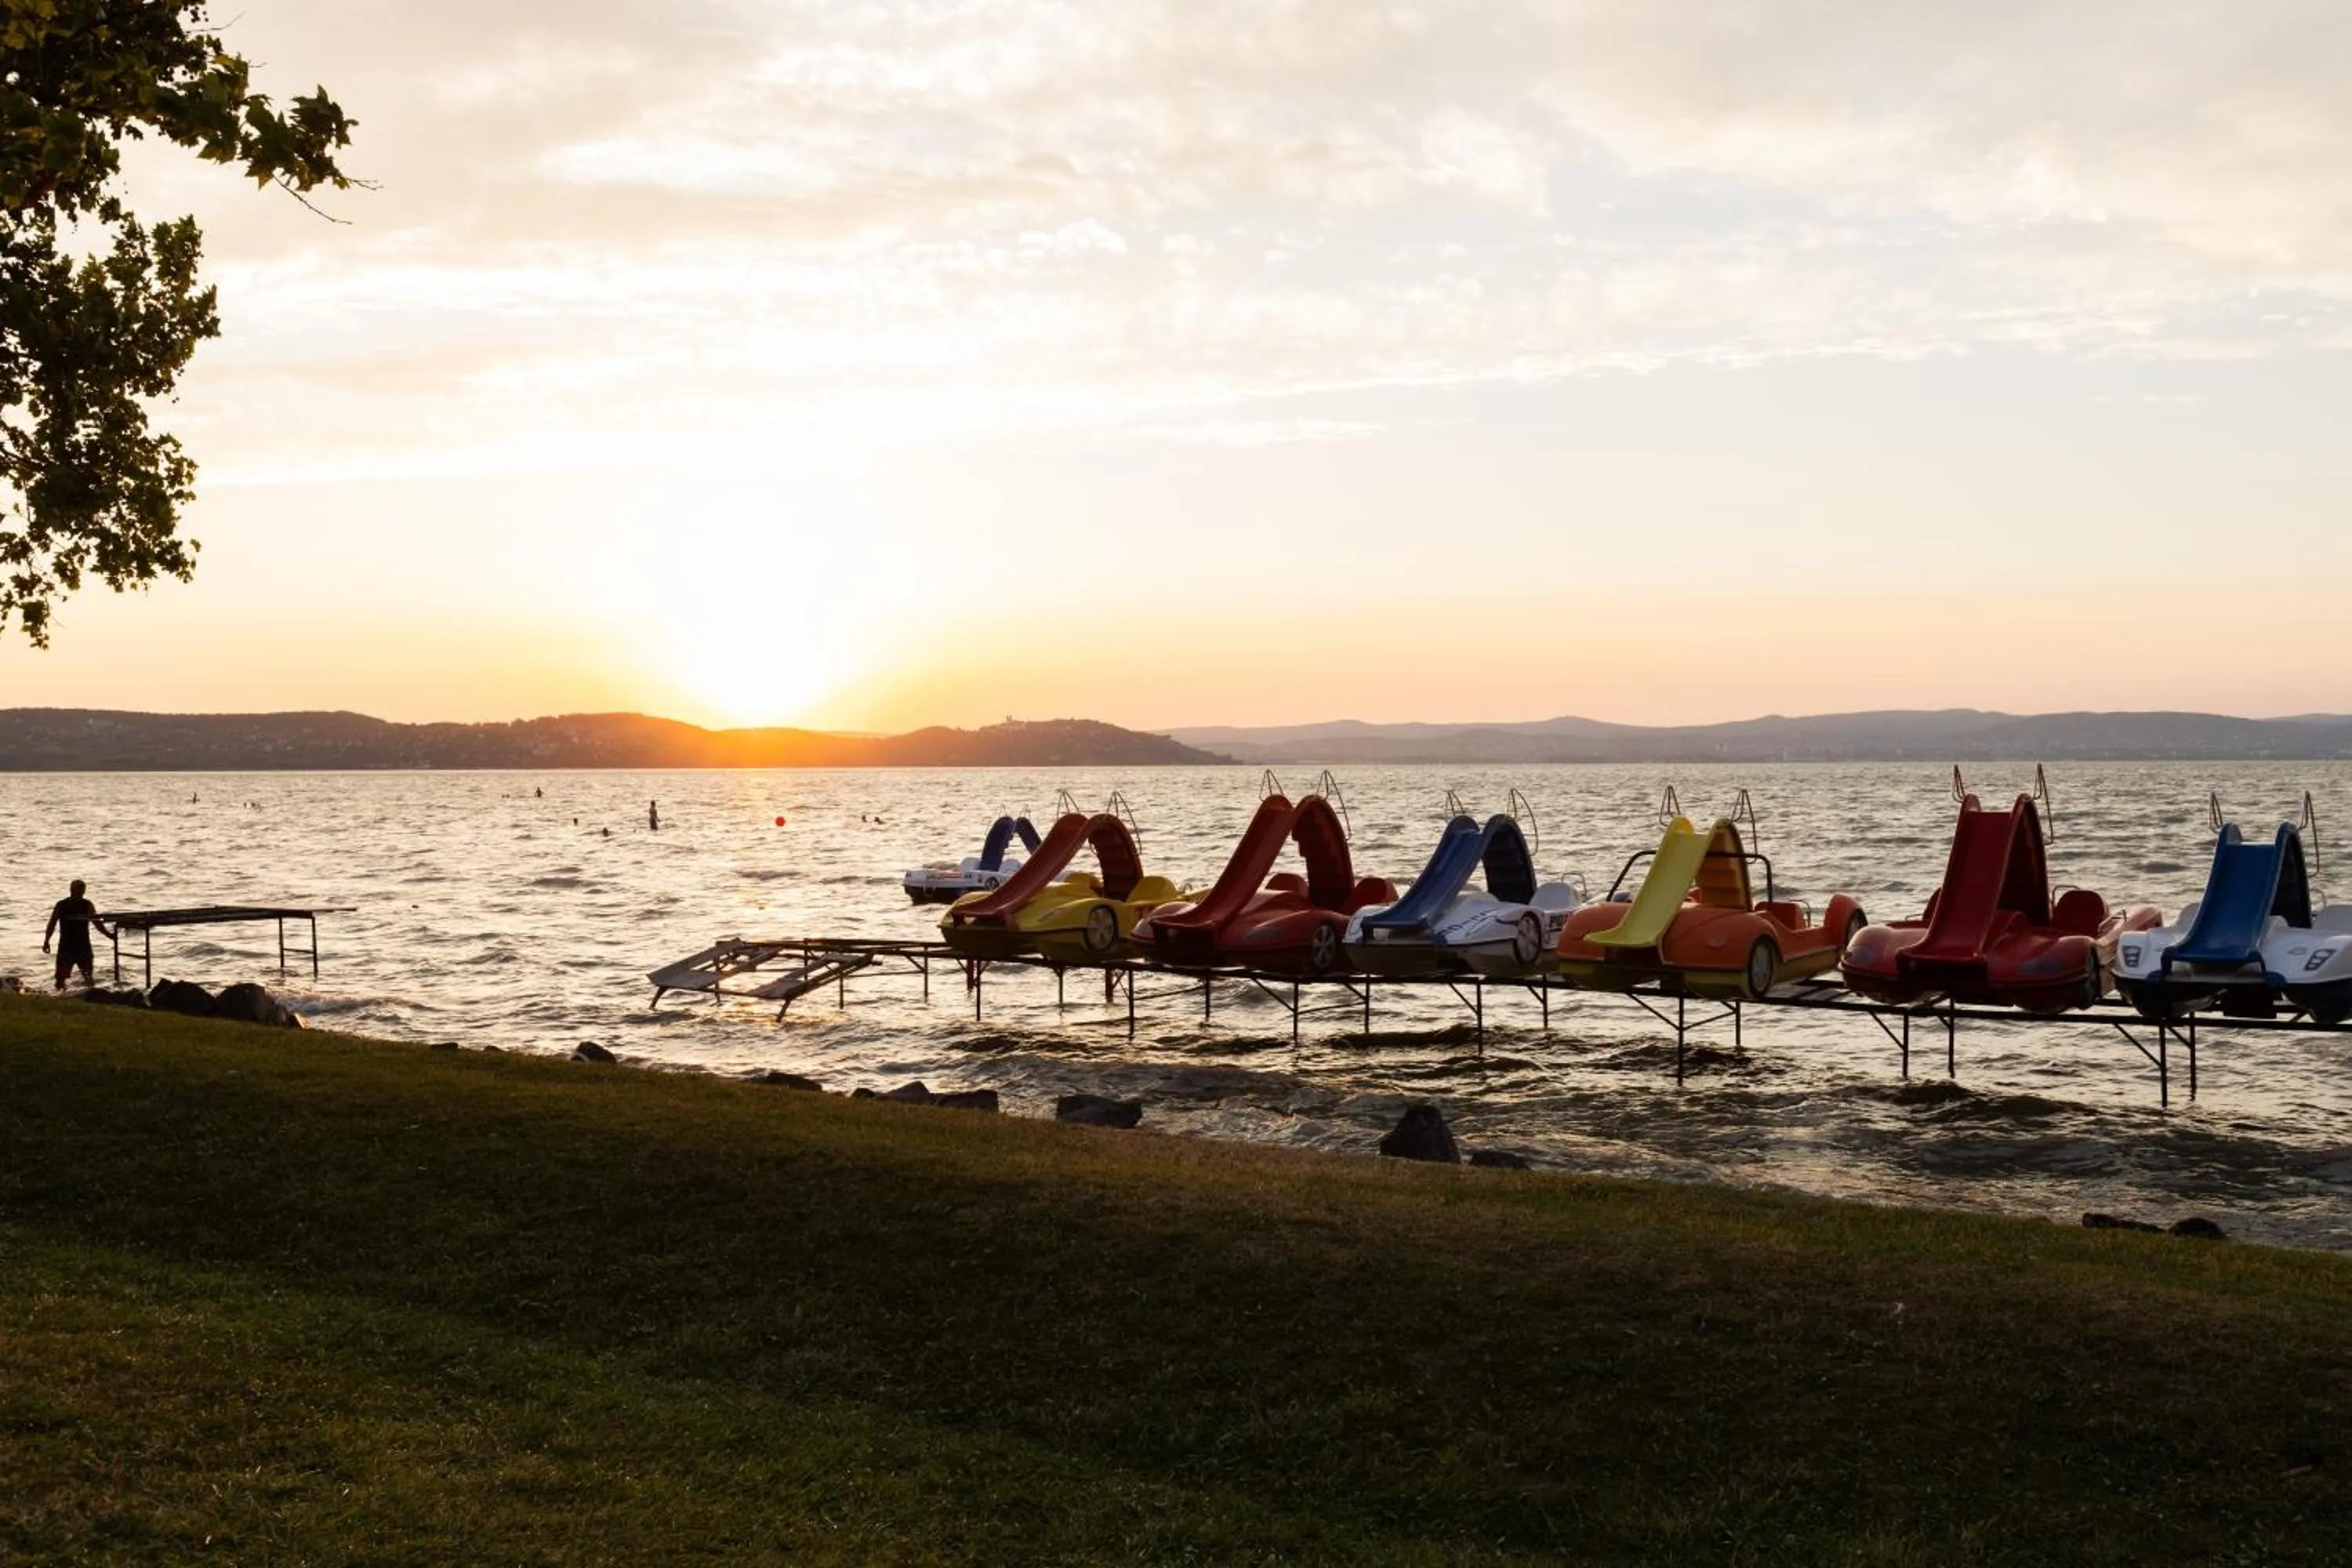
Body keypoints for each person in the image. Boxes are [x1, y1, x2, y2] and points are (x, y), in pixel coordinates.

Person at [43, 880, 112, 992]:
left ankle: (88, 996)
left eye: (82, 891)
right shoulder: (63, 905)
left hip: (78, 945)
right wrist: (46, 941)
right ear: (72, 890)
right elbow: (52, 923)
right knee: (62, 979)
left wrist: (108, 935)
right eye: (79, 891)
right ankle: (64, 996)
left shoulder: (83, 905)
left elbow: (97, 923)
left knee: (86, 976)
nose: (81, 893)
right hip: (70, 946)